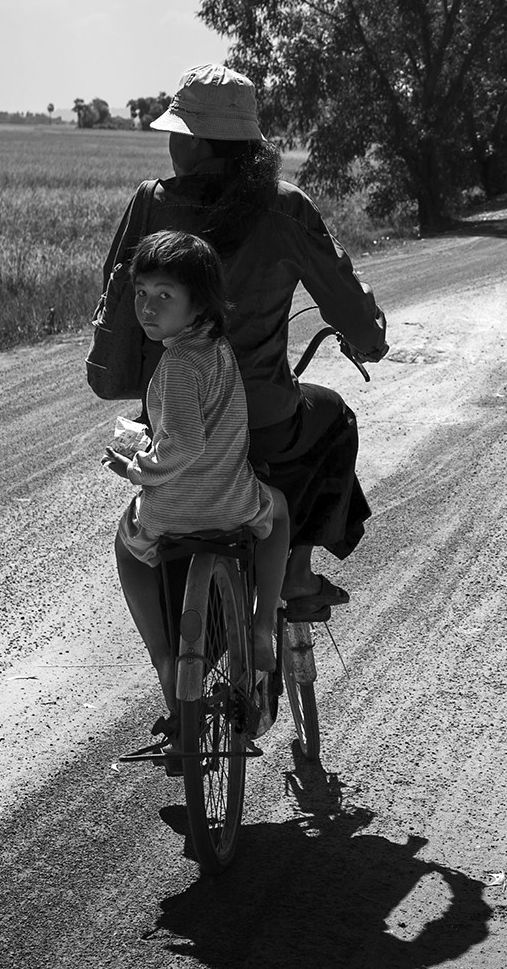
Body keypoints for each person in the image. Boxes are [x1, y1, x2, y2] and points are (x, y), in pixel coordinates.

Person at [99, 64, 387, 614]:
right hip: (267, 422)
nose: (170, 148)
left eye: (176, 135)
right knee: (335, 418)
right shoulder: (285, 206)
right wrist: (366, 340)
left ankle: (175, 658)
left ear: (200, 142)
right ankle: (296, 576)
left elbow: (115, 296)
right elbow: (346, 298)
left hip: (171, 423)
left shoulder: (152, 201)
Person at [106, 229, 290, 730]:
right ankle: (261, 624)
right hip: (231, 503)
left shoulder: (177, 364)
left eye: (165, 295)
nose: (147, 307)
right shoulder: (217, 348)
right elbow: (199, 433)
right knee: (278, 509)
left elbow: (184, 444)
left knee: (125, 547)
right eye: (142, 293)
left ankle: (166, 664)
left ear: (198, 301)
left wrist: (137, 468)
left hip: (172, 509)